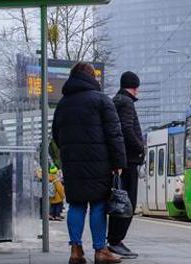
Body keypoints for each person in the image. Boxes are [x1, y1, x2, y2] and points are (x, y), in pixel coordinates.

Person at [53, 62, 126, 264]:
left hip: (72, 163)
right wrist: (118, 162)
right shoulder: (101, 100)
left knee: (75, 204)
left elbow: (56, 135)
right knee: (98, 205)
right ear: (92, 77)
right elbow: (114, 133)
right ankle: (100, 251)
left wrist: (69, 153)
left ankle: (76, 251)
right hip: (98, 162)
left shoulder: (63, 104)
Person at [108, 71, 145, 259]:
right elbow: (127, 129)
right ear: (135, 87)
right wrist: (141, 147)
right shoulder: (127, 103)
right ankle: (115, 241)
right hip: (128, 161)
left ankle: (114, 240)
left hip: (121, 160)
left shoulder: (117, 101)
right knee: (126, 202)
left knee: (119, 200)